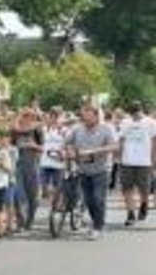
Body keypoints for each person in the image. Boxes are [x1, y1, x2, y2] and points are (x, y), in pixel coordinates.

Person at [65, 103, 118, 240]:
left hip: (101, 170)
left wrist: (94, 151)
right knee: (89, 200)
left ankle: (97, 227)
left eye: (88, 118)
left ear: (96, 116)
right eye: (84, 118)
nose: (86, 121)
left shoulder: (106, 129)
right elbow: (67, 142)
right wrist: (70, 151)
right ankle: (98, 222)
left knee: (98, 198)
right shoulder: (77, 129)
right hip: (83, 169)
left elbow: (114, 146)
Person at [117, 103, 156, 226]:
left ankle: (144, 204)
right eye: (133, 113)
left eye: (137, 112)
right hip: (127, 160)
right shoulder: (125, 123)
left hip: (144, 161)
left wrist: (153, 159)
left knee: (144, 189)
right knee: (127, 188)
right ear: (130, 113)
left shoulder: (151, 123)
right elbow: (121, 140)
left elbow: (154, 142)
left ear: (141, 111)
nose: (136, 115)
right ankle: (130, 213)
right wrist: (119, 158)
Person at [10, 108, 44, 231]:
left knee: (32, 195)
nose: (27, 118)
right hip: (17, 163)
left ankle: (30, 220)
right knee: (17, 194)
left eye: (30, 116)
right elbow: (10, 144)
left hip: (32, 162)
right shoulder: (15, 130)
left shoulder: (37, 130)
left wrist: (34, 146)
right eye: (25, 115)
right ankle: (20, 221)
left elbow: (44, 147)